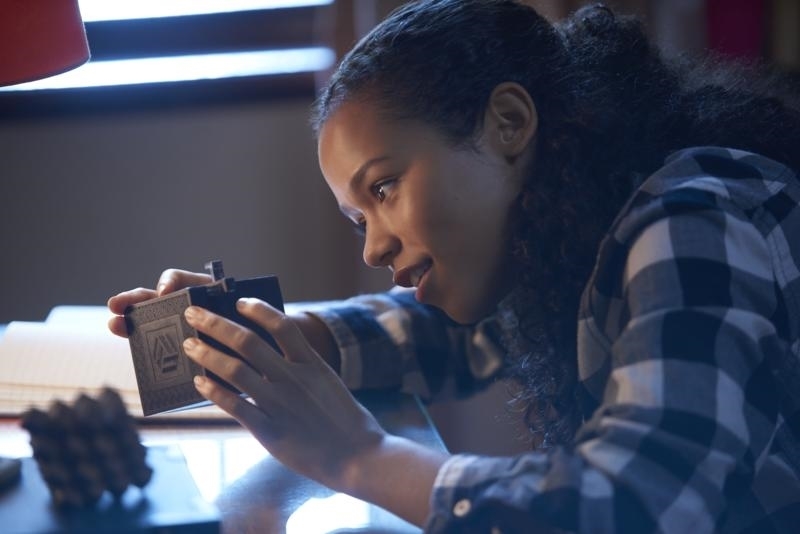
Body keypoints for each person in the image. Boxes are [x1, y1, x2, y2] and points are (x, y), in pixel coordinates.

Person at [108, 1, 800, 531]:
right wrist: (278, 338)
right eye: (358, 220)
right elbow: (456, 334)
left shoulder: (695, 222)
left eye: (384, 189)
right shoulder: (568, 242)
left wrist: (357, 455)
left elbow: (631, 504)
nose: (373, 249)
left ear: (508, 122)